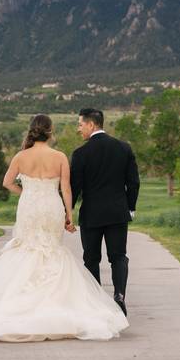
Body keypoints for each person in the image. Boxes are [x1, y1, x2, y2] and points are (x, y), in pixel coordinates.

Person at [0, 114, 128, 343]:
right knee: (51, 249)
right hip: (51, 207)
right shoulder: (59, 157)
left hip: (29, 207)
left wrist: (26, 193)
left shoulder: (21, 156)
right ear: (50, 132)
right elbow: (66, 189)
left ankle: (19, 303)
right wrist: (69, 215)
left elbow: (6, 182)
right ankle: (55, 304)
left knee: (27, 248)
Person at [69, 108, 140, 316]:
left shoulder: (81, 154)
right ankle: (119, 295)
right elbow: (133, 182)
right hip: (118, 213)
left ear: (91, 125)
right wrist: (131, 207)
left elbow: (75, 188)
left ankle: (97, 300)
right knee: (118, 256)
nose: (79, 129)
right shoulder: (123, 148)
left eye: (80, 125)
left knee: (91, 259)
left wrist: (67, 212)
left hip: (91, 215)